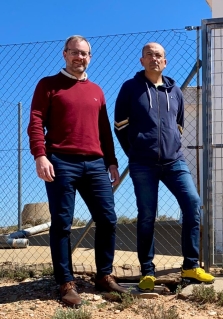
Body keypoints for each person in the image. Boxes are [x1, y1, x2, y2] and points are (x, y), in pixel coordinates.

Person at [27, 35, 128, 307]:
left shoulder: (97, 90)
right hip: (60, 162)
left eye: (84, 54)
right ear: (64, 54)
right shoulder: (48, 85)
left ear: (90, 57)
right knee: (62, 223)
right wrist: (40, 155)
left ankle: (104, 276)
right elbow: (36, 121)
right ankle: (65, 282)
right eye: (74, 52)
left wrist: (112, 161)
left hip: (96, 164)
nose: (79, 58)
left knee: (107, 218)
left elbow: (104, 130)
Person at [114, 42, 214, 292]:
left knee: (192, 204)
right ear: (142, 60)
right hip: (142, 163)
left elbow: (178, 126)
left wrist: (170, 147)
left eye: (158, 55)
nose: (154, 59)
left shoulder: (175, 91)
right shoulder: (130, 88)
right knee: (147, 215)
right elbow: (120, 125)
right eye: (148, 55)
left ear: (165, 62)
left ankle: (190, 266)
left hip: (174, 162)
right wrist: (136, 152)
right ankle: (147, 271)